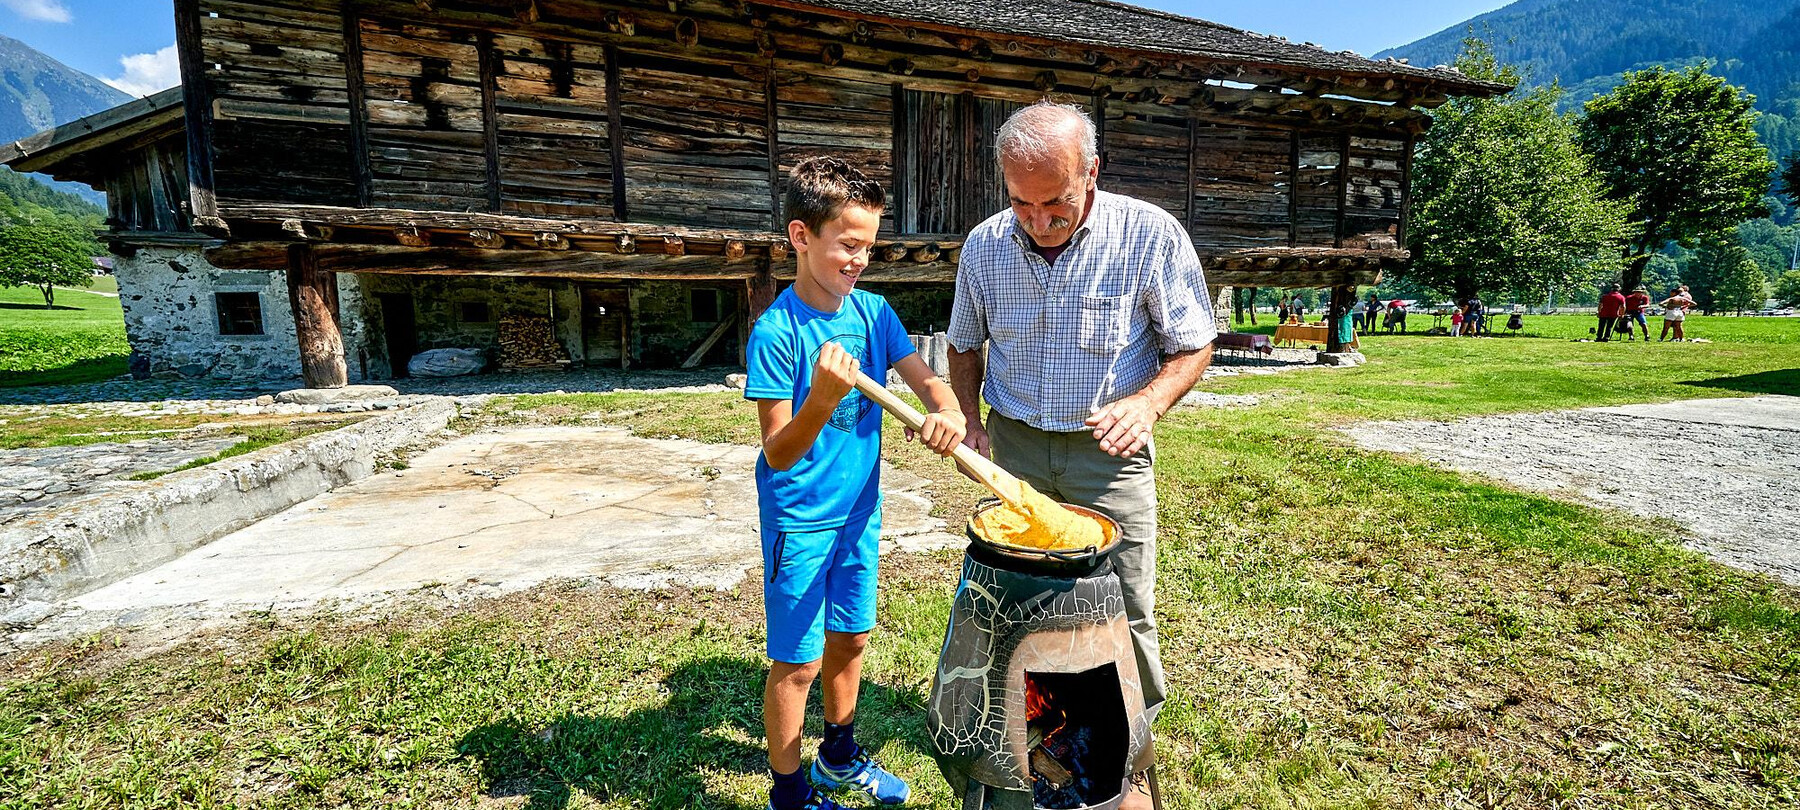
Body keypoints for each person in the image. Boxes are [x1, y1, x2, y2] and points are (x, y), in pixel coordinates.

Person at [946, 101, 1216, 809]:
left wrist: (1147, 404)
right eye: (1021, 202)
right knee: (1015, 603)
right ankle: (1023, 746)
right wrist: (969, 419)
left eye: (1055, 203)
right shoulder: (985, 244)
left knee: (1124, 606)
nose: (1038, 220)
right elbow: (964, 343)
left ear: (1091, 173)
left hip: (1109, 455)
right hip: (1016, 450)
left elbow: (1193, 342)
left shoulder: (1149, 234)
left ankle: (1128, 765)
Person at [746, 157, 967, 810]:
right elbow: (778, 452)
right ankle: (789, 794)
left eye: (868, 247)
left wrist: (947, 409)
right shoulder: (776, 332)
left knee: (852, 638)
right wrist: (821, 399)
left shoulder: (873, 313)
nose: (860, 261)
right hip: (799, 522)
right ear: (801, 236)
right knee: (798, 664)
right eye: (848, 245)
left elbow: (925, 379)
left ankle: (838, 756)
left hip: (859, 514)